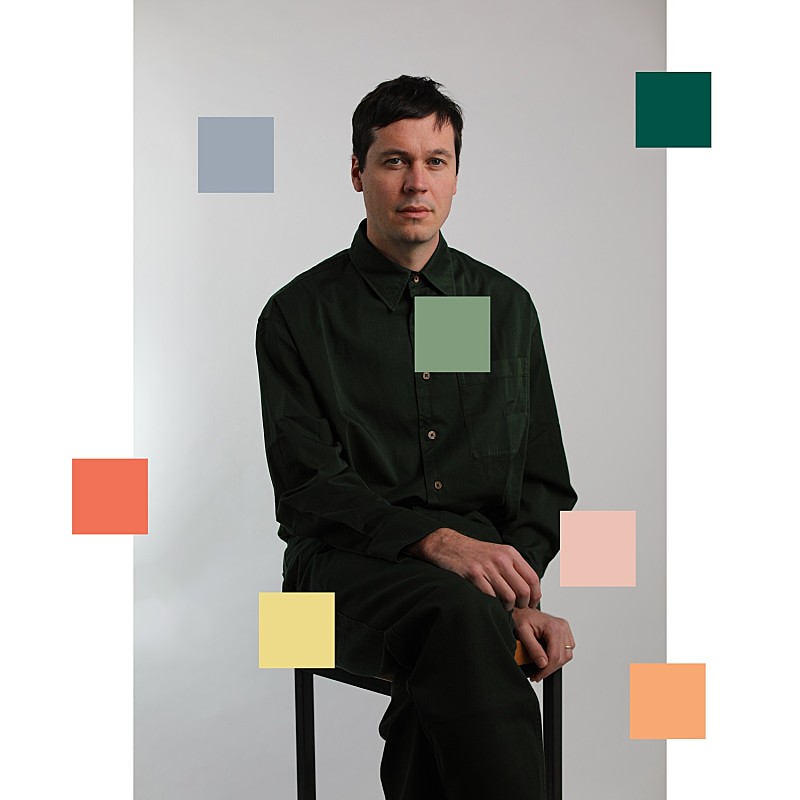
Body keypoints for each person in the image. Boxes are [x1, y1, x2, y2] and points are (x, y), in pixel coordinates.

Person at [256, 75, 578, 800]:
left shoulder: (499, 308)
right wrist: (434, 542)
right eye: (394, 160)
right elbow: (306, 490)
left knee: (456, 635)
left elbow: (543, 482)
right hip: (334, 573)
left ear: (456, 175)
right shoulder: (298, 315)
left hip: (474, 591)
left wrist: (518, 592)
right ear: (357, 172)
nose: (416, 182)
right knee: (457, 618)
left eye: (436, 160)